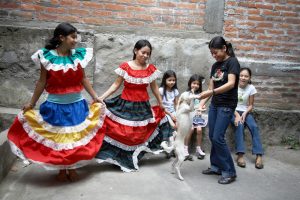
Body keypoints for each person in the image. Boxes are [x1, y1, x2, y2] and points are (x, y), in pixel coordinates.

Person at [7, 22, 106, 181]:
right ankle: (61, 169)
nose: (76, 40)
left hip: (76, 104)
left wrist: (96, 97)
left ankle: (72, 166)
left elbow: (83, 79)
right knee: (59, 139)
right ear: (61, 37)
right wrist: (31, 103)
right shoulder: (46, 56)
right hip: (55, 106)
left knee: (73, 138)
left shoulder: (78, 55)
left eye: (76, 37)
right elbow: (41, 82)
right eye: (73, 37)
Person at [95, 39, 173, 172]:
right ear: (135, 51)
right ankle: (118, 158)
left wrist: (161, 104)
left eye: (148, 54)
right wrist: (101, 98)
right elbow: (116, 85)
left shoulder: (150, 69)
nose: (145, 56)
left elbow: (154, 88)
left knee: (137, 136)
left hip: (142, 107)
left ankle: (131, 158)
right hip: (125, 105)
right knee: (123, 134)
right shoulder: (126, 66)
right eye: (143, 52)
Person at [199, 36, 240, 184]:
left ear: (224, 48)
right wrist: (201, 104)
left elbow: (231, 84)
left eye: (216, 52)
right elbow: (210, 88)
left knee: (218, 137)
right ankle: (216, 166)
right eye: (212, 53)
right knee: (212, 136)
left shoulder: (232, 62)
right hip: (215, 104)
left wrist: (211, 93)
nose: (214, 55)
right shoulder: (215, 66)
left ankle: (229, 171)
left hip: (227, 105)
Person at [232, 67, 264, 169]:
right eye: (241, 75)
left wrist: (245, 114)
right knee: (239, 125)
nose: (243, 78)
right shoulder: (233, 86)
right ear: (238, 76)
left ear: (249, 78)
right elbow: (229, 104)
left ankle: (259, 155)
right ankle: (240, 155)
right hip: (233, 112)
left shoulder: (251, 88)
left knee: (254, 126)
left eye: (246, 76)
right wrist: (237, 115)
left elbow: (250, 105)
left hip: (245, 112)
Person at [183, 74, 207, 161]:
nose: (196, 85)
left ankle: (198, 148)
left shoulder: (201, 95)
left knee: (199, 130)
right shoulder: (187, 94)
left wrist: (202, 108)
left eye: (198, 84)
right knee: (191, 129)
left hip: (197, 115)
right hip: (189, 116)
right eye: (194, 83)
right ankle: (185, 149)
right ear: (190, 83)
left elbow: (202, 105)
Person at [159, 70, 179, 158]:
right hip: (164, 112)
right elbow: (161, 106)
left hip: (173, 112)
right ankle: (168, 149)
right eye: (169, 80)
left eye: (173, 80)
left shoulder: (175, 91)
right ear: (165, 80)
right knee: (171, 126)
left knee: (177, 128)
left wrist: (177, 114)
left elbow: (176, 104)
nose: (172, 82)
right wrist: (171, 115)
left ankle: (174, 148)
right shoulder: (161, 90)